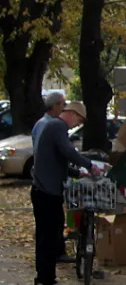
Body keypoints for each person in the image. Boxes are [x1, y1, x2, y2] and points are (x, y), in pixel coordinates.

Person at [31, 101, 100, 285]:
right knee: (48, 236)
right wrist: (89, 165)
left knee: (51, 234)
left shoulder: (52, 126)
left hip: (46, 190)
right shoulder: (57, 127)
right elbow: (68, 152)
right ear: (72, 114)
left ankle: (46, 278)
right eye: (79, 120)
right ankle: (45, 280)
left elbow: (57, 160)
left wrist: (79, 174)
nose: (77, 124)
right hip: (46, 192)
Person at [32, 92, 72, 264]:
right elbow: (54, 153)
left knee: (54, 222)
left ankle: (57, 251)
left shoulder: (43, 124)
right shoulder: (50, 125)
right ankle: (49, 266)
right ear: (55, 105)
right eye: (63, 104)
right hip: (46, 184)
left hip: (43, 182)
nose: (64, 108)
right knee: (49, 226)